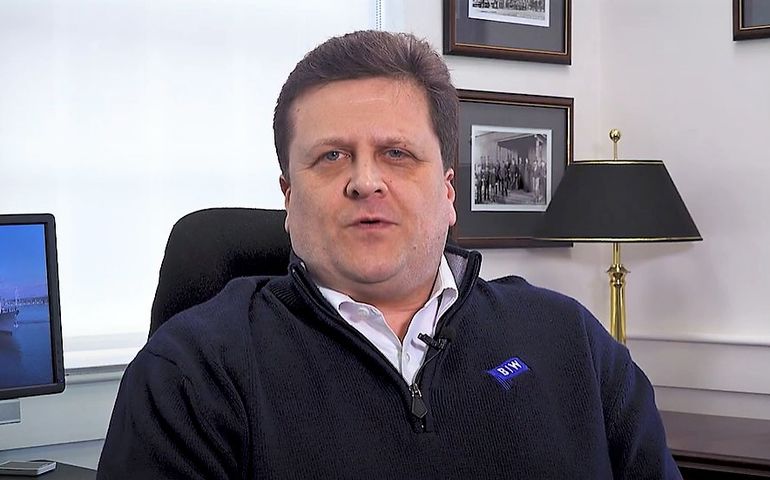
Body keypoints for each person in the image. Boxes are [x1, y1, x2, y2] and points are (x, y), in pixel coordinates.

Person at [97, 30, 681, 479]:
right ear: (288, 197)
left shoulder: (572, 343)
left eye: (397, 154)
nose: (365, 181)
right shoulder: (190, 373)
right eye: (331, 157)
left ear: (449, 192)